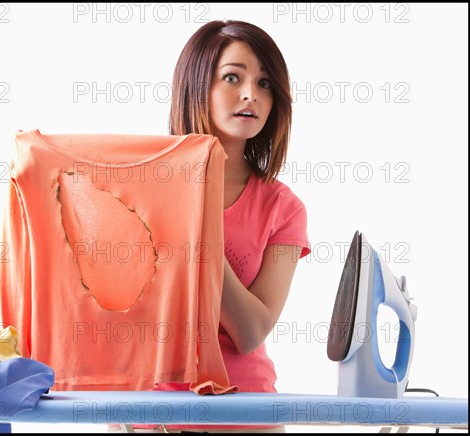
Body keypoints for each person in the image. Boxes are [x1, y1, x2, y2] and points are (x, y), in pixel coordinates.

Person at [110, 19, 311, 433]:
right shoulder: (140, 187)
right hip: (150, 412)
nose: (250, 94)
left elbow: (251, 331)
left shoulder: (284, 208)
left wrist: (195, 234)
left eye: (265, 83)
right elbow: (115, 315)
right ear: (196, 85)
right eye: (232, 78)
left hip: (246, 413)